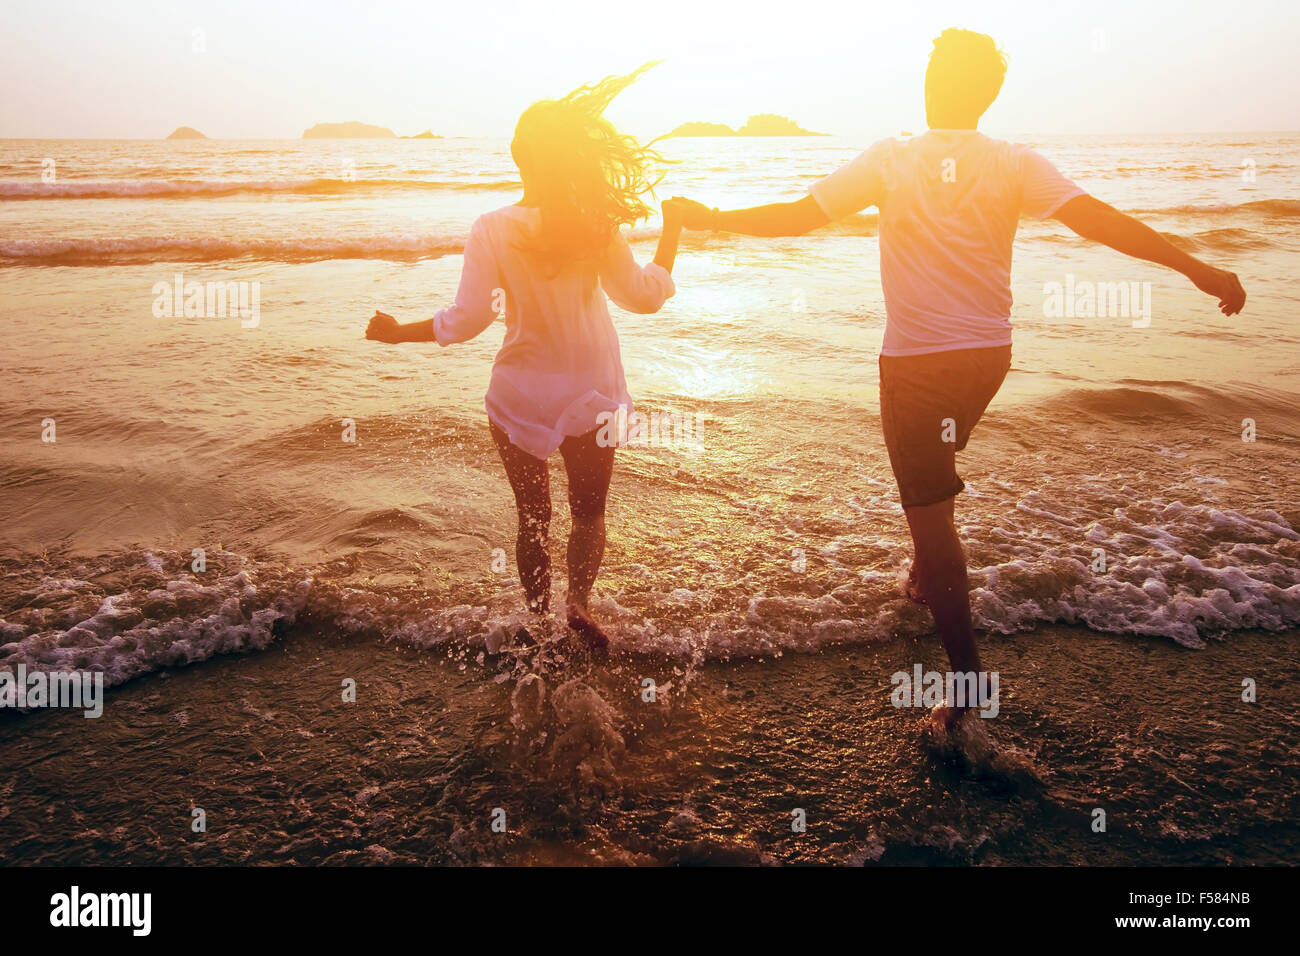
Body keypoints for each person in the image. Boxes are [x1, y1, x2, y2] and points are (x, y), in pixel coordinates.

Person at [672, 28, 1246, 728]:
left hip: (915, 364)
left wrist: (712, 219)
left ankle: (969, 684)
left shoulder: (892, 159)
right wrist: (1198, 267)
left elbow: (799, 217)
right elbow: (1099, 222)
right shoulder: (1014, 162)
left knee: (933, 516)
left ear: (929, 81)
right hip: (988, 360)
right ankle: (926, 560)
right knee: (933, 486)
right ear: (988, 94)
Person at [366, 64, 686, 650]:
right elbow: (642, 298)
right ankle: (579, 605)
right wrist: (674, 234)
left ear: (519, 154)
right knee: (588, 514)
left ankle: (538, 625)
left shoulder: (492, 228)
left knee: (532, 518)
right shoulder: (594, 223)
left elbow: (467, 322)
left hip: (521, 394)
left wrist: (397, 333)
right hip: (592, 393)